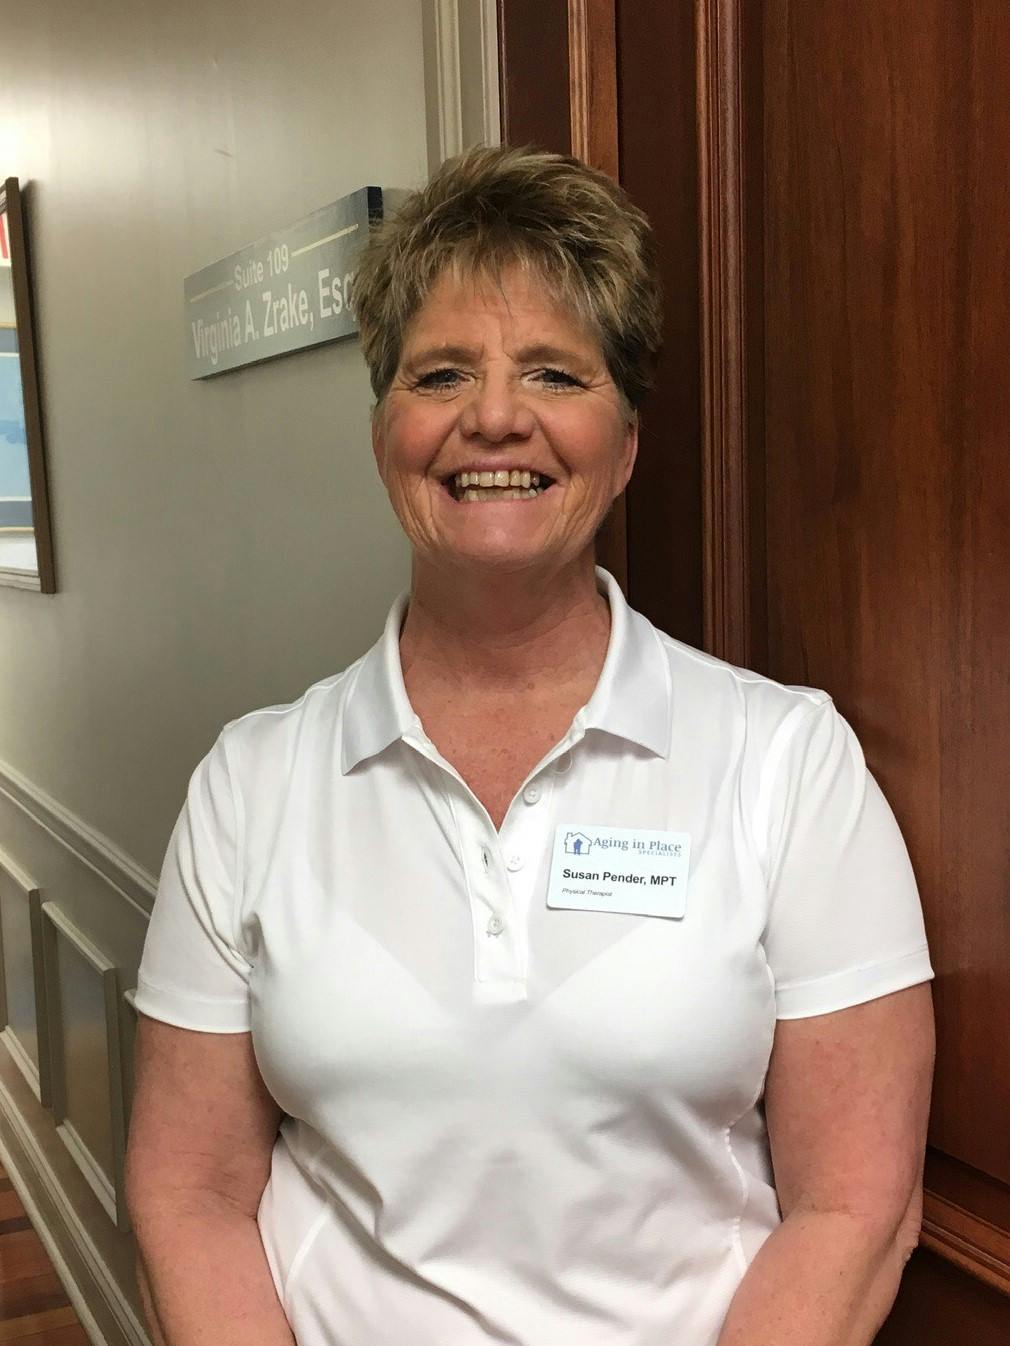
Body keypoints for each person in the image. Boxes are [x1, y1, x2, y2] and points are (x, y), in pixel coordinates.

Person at [125, 145, 935, 1346]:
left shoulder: (787, 764)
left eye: (553, 372)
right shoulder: (251, 783)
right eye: (439, 372)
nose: (493, 416)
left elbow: (854, 1203)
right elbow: (188, 1192)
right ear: (384, 432)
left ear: (625, 444)